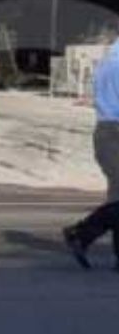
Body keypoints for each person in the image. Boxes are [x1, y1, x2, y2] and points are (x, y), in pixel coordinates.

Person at [63, 37, 119, 270]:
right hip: (114, 132)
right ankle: (81, 233)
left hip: (105, 132)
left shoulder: (105, 64)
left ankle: (86, 237)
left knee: (117, 196)